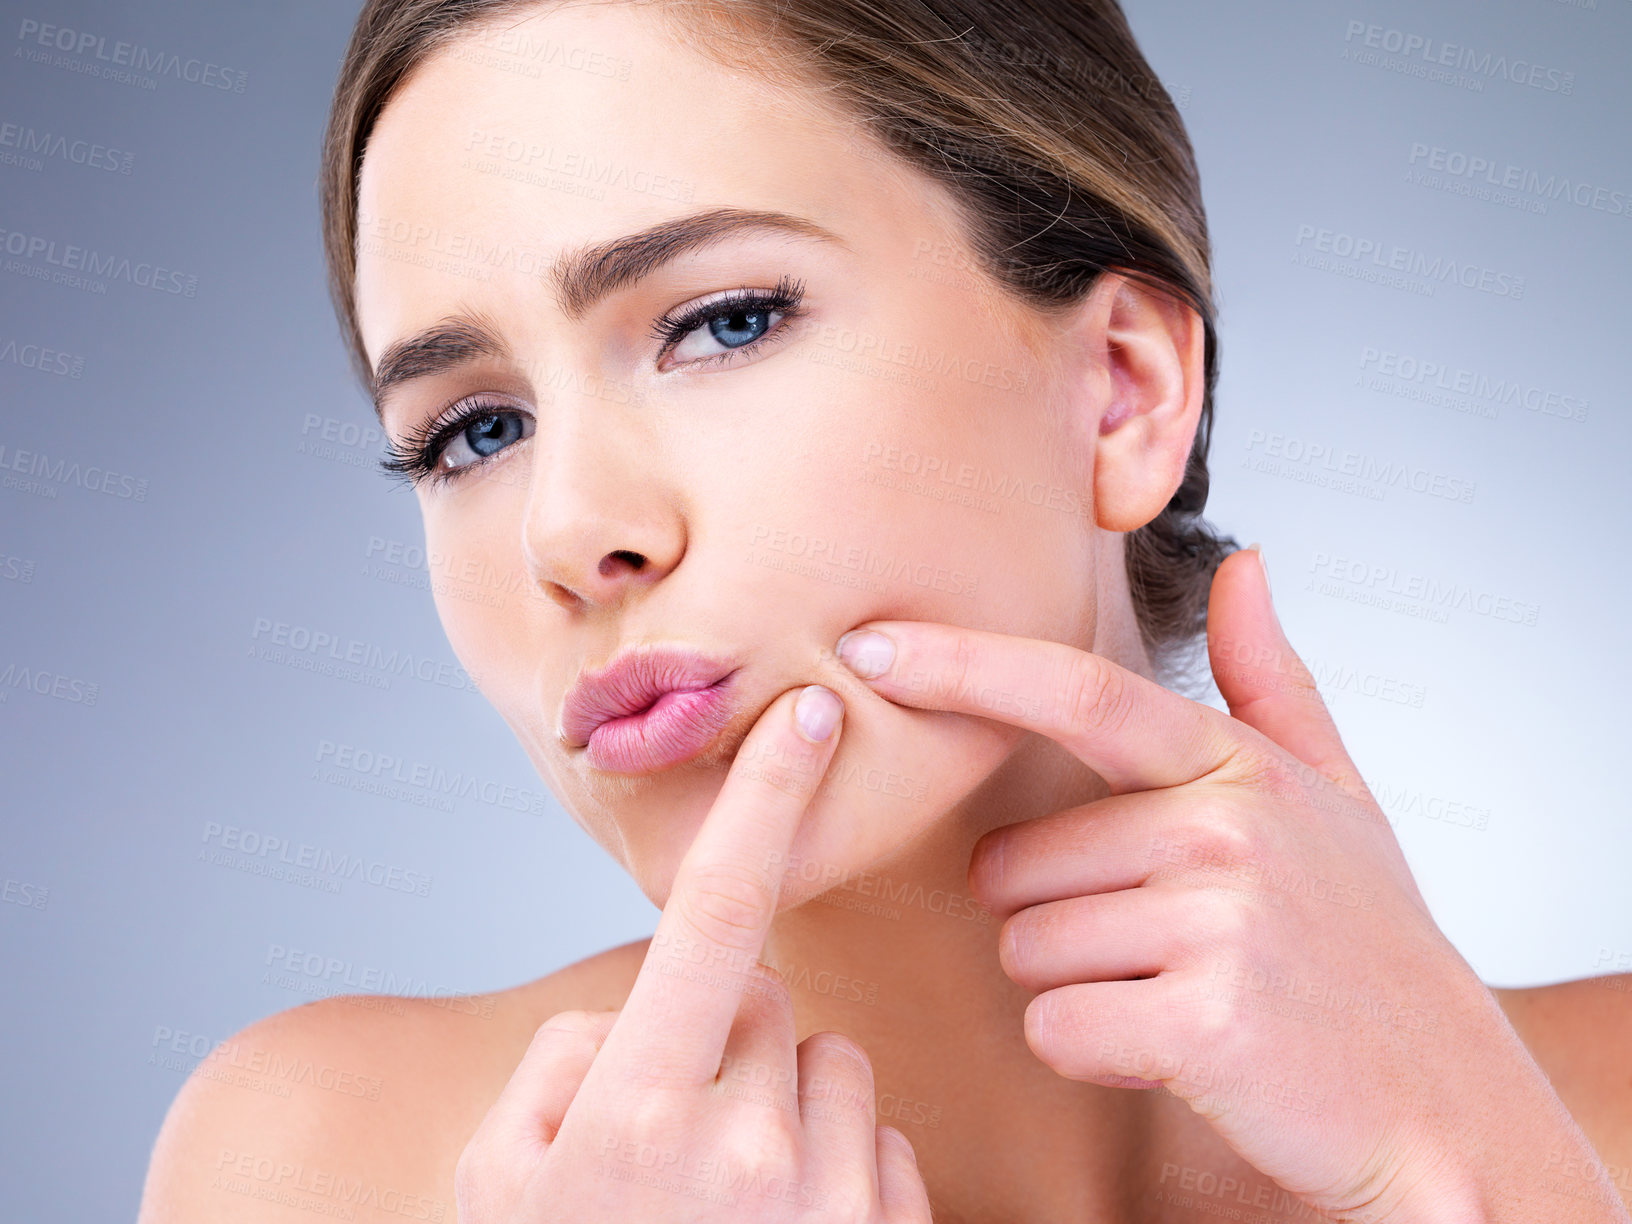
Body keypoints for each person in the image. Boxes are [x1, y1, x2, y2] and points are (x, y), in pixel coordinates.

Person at [139, 0, 1632, 1219]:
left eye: (722, 322)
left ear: (1120, 391)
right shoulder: (323, 1162)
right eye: (472, 430)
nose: (572, 528)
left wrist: (1496, 1180)